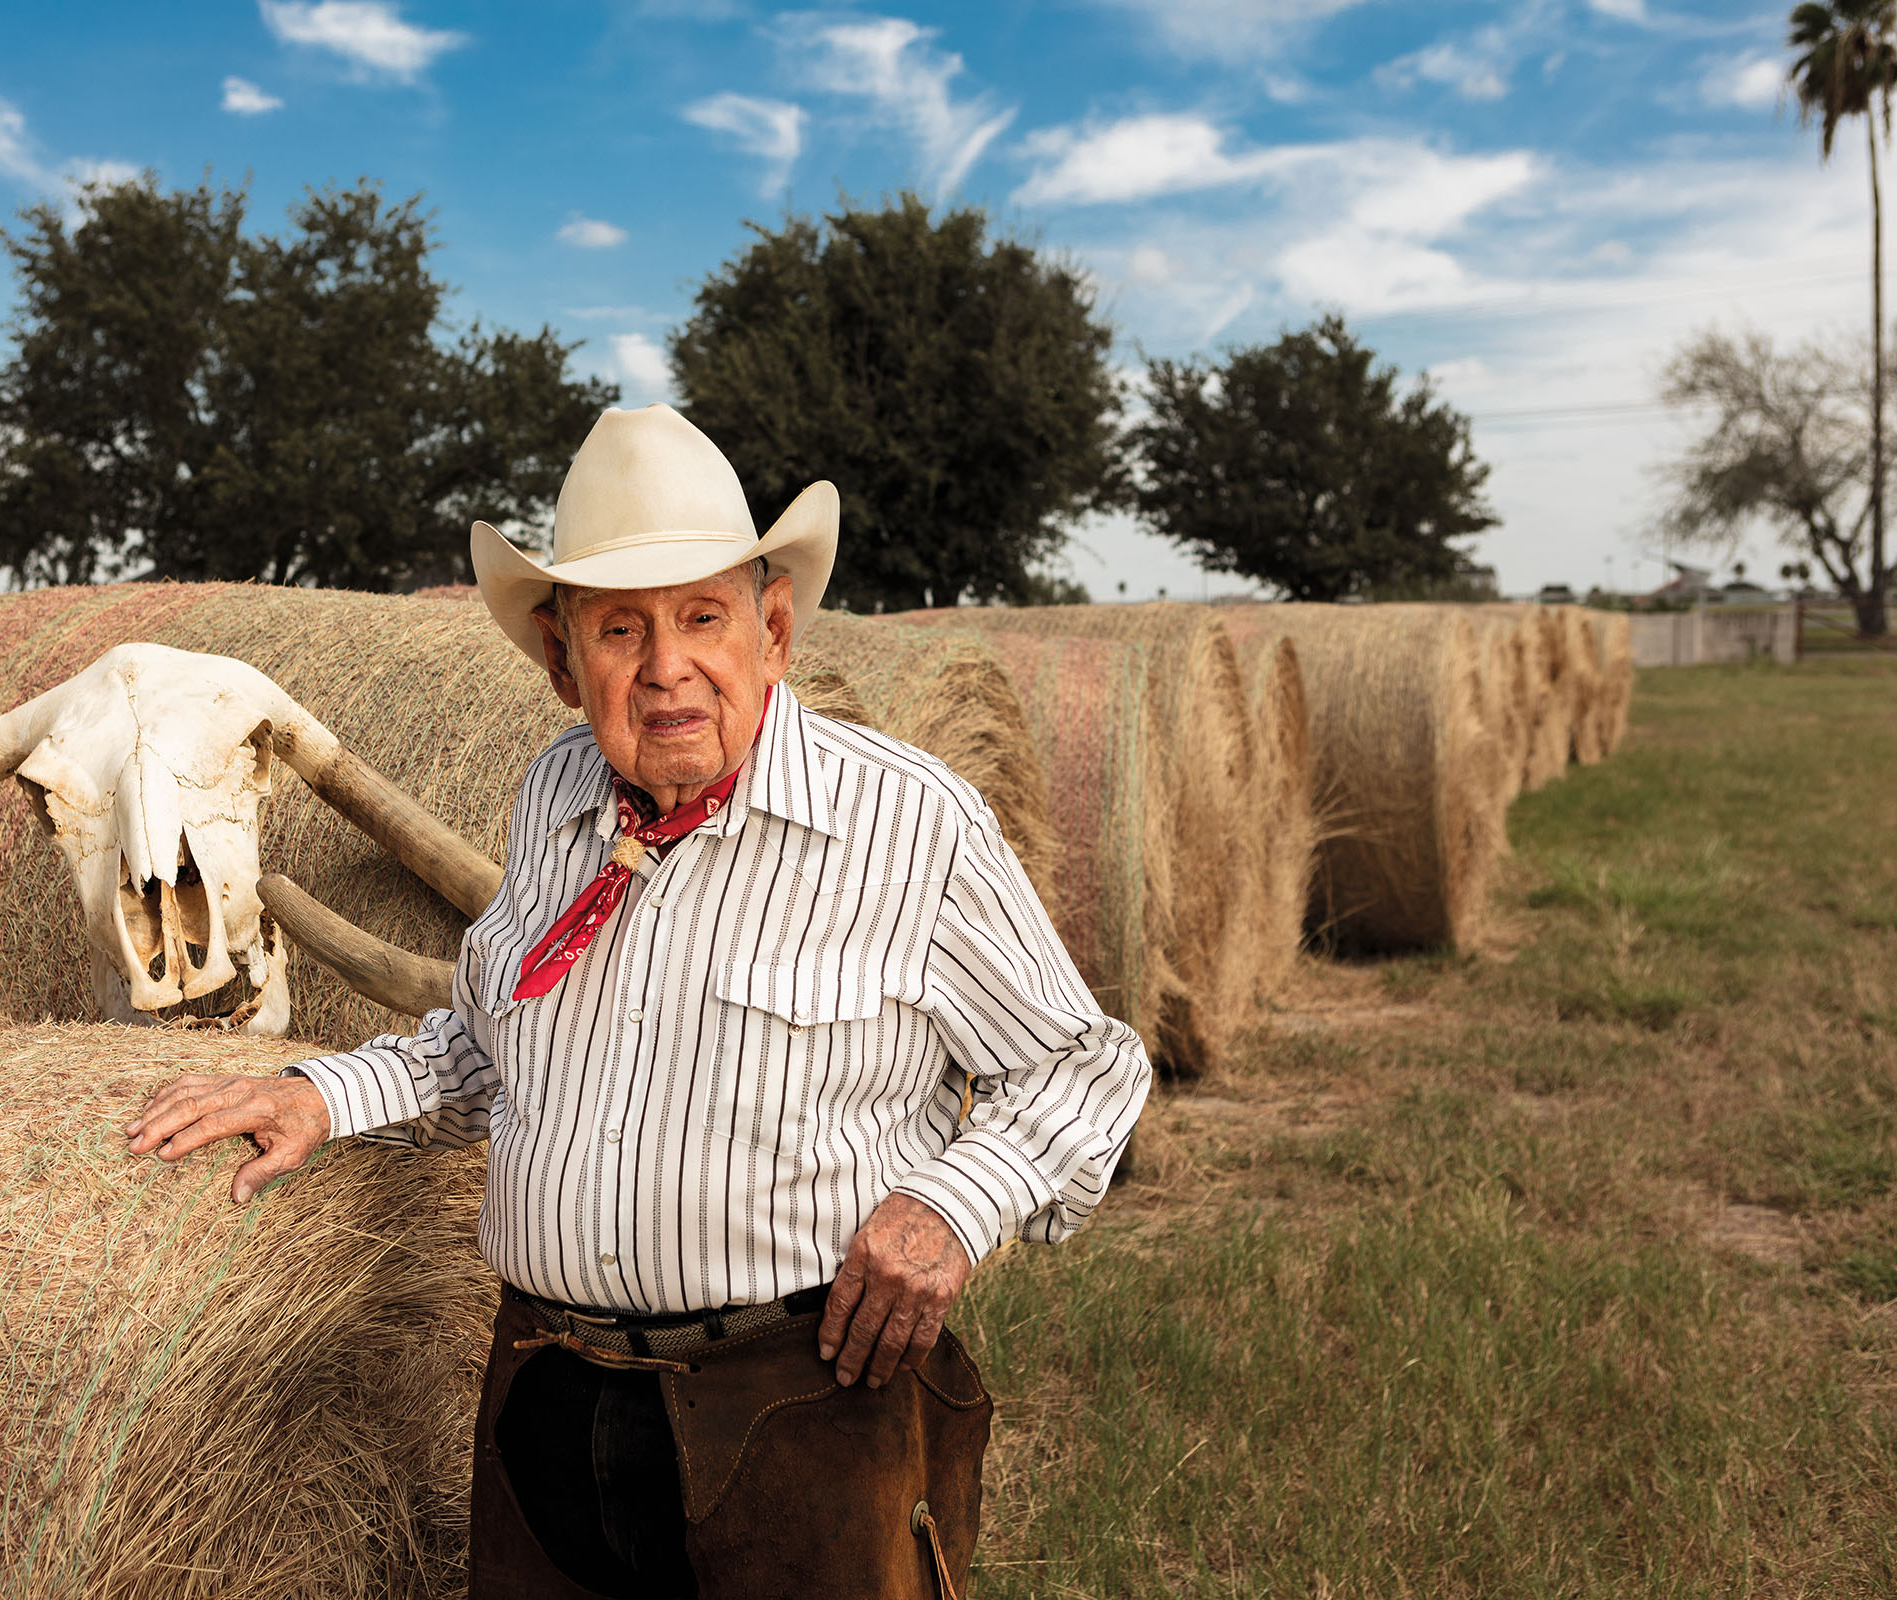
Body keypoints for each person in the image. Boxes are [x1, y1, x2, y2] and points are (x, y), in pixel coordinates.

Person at [124, 403, 1152, 1598]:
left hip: (805, 1400)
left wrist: (948, 1206)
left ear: (772, 631)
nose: (667, 669)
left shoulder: (909, 820)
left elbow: (1086, 1062)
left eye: (702, 618)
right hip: (543, 1393)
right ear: (564, 661)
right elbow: (496, 1042)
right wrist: (318, 1091)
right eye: (621, 630)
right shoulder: (559, 796)